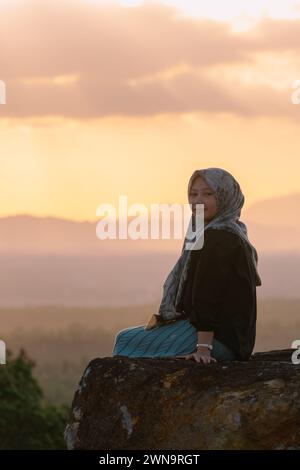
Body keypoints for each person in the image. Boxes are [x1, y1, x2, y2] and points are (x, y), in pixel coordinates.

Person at [112, 167, 262, 364]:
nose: (198, 200)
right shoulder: (232, 232)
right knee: (130, 336)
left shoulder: (218, 237)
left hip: (219, 342)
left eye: (208, 194)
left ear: (225, 196)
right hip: (233, 341)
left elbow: (207, 296)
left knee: (125, 340)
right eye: (193, 194)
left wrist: (203, 349)